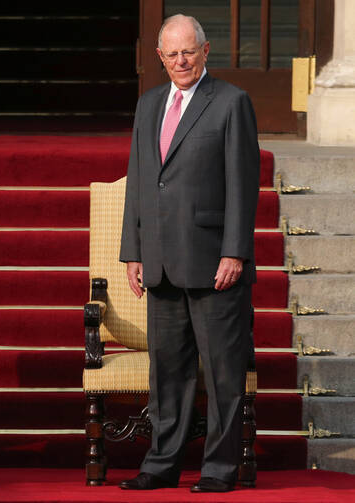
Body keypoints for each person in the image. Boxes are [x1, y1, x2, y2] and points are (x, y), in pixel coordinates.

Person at [118, 14, 259, 493]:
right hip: (158, 261)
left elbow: (243, 183)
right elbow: (140, 180)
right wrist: (133, 251)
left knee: (222, 377)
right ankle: (162, 465)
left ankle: (220, 470)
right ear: (159, 57)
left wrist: (235, 252)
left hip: (215, 263)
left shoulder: (231, 102)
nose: (180, 60)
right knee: (168, 376)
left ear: (205, 51)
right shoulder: (149, 104)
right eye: (171, 53)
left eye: (188, 51)